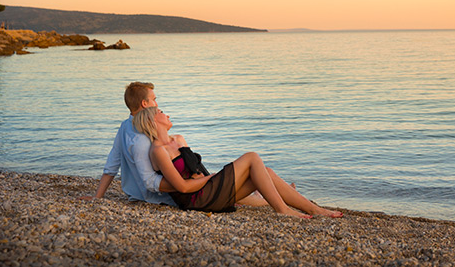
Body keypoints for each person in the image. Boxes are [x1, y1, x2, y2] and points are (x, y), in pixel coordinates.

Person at [133, 106, 344, 218]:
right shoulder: (158, 151)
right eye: (161, 112)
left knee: (266, 172)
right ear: (152, 120)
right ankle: (282, 210)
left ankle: (313, 209)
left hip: (208, 189)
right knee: (252, 157)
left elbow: (197, 169)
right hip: (196, 200)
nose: (167, 114)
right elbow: (182, 186)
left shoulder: (178, 139)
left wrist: (215, 179)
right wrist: (213, 178)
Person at [81, 82, 265, 207]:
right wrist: (191, 183)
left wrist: (98, 197)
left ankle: (262, 194)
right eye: (154, 99)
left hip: (138, 193)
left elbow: (112, 164)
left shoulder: (125, 126)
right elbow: (150, 182)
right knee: (227, 187)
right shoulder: (143, 137)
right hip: (160, 197)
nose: (157, 103)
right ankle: (263, 196)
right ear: (145, 104)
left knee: (226, 184)